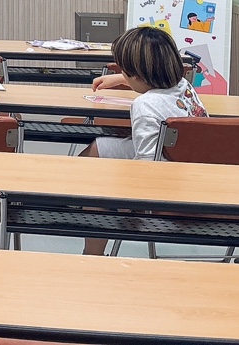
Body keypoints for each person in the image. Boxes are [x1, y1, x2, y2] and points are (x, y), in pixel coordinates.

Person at [79, 25, 208, 254]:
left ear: (137, 76)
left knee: (95, 182)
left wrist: (127, 200)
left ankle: (91, 252)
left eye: (125, 72)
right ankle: (75, 196)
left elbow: (147, 167)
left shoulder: (145, 105)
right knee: (99, 147)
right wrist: (120, 78)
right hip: (191, 164)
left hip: (166, 183)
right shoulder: (183, 85)